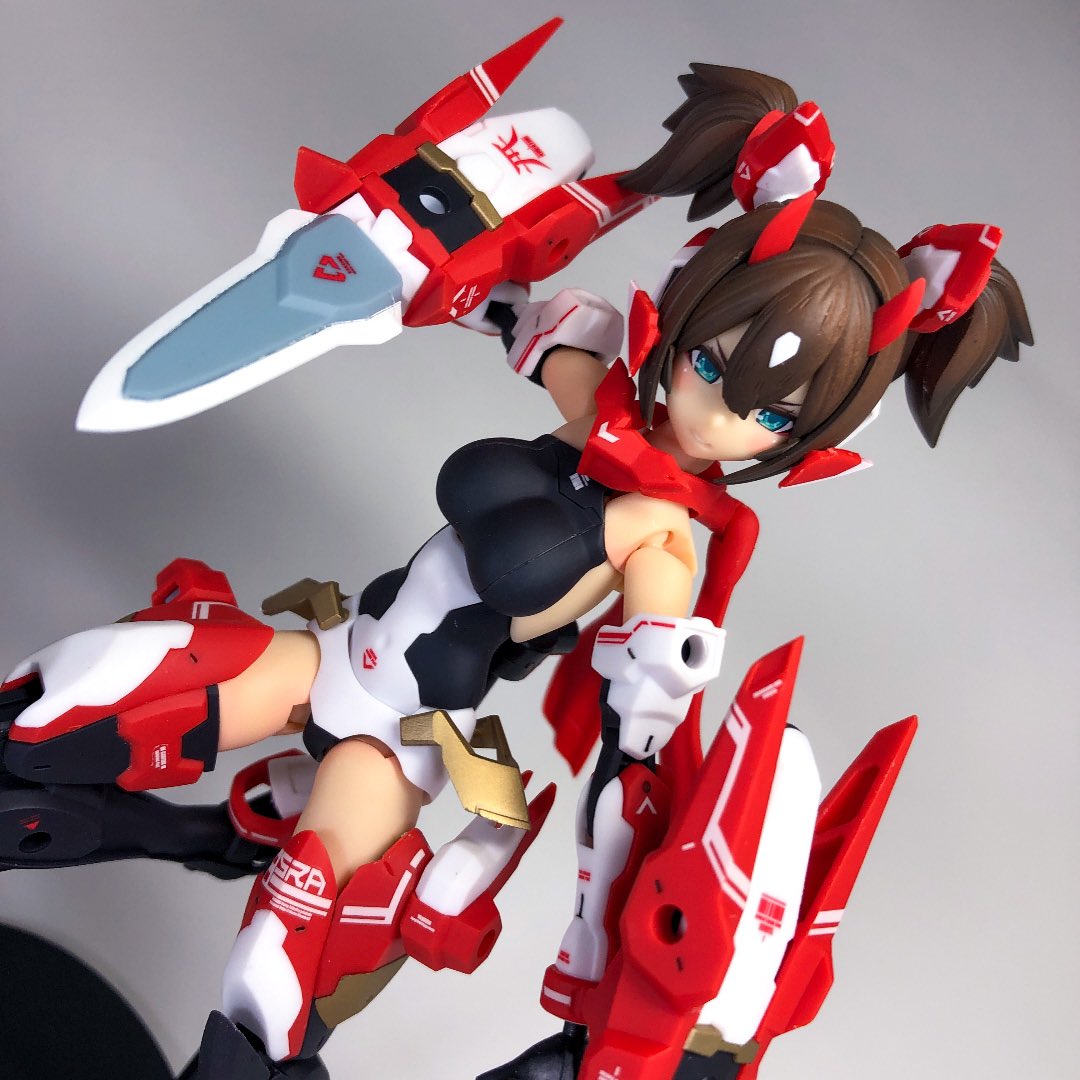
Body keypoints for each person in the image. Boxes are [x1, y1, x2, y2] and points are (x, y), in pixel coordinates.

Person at [0, 65, 1031, 1080]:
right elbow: (496, 302)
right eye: (711, 365)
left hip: (397, 741)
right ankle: (200, 832)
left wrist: (623, 884)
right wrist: (423, 246)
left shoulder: (662, 546)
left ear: (808, 438)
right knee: (63, 703)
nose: (715, 416)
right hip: (329, 657)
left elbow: (642, 722)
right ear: (684, 313)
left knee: (274, 981)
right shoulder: (595, 400)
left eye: (767, 414)